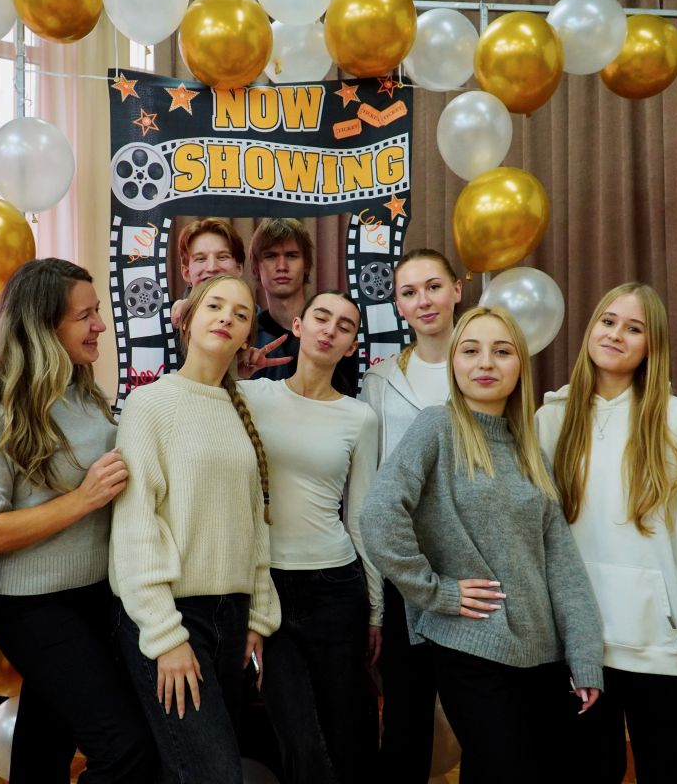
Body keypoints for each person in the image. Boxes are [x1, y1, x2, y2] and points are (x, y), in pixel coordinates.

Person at [361, 306, 604, 784]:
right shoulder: (436, 427)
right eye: (471, 351)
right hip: (471, 644)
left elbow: (561, 564)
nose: (486, 363)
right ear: (454, 362)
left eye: (502, 351)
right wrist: (437, 593)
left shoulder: (529, 449)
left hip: (543, 652)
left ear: (520, 366)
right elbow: (378, 517)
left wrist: (584, 656)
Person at [534, 282, 677, 784]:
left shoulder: (675, 421)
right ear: (590, 329)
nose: (616, 334)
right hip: (577, 649)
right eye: (608, 321)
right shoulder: (550, 420)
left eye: (633, 328)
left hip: (663, 651)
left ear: (651, 347)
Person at [0, 259, 157, 783]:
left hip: (94, 597)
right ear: (44, 326)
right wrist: (83, 499)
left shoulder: (86, 394)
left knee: (43, 750)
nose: (100, 326)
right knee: (126, 749)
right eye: (84, 316)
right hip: (32, 606)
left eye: (98, 312)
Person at [110, 274, 282, 784]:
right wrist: (165, 636)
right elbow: (135, 525)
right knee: (214, 774)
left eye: (241, 313)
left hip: (233, 615)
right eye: (215, 306)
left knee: (191, 770)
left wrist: (258, 615)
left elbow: (254, 523)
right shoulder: (149, 404)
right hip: (171, 615)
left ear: (247, 335)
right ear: (187, 320)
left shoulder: (239, 410)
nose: (227, 317)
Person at [238, 291, 380, 784]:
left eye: (344, 326)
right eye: (321, 317)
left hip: (335, 586)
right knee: (297, 735)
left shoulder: (359, 417)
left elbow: (361, 514)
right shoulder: (252, 396)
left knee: (346, 729)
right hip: (268, 586)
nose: (330, 329)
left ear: (350, 346)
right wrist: (238, 372)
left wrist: (376, 609)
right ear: (298, 326)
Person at [358, 249, 470, 783]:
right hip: (407, 572)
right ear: (398, 305)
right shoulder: (379, 382)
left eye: (433, 287)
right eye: (409, 292)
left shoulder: (484, 365)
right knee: (406, 716)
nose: (423, 300)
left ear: (457, 291)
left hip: (474, 566)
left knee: (480, 712)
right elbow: (371, 487)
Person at [249, 217, 358, 396]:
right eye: (271, 256)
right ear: (255, 267)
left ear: (306, 265)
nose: (282, 266)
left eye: (292, 256)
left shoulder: (335, 332)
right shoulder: (249, 335)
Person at [170, 217, 246, 328]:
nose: (212, 267)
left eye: (222, 257)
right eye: (200, 259)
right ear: (186, 273)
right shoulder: (160, 324)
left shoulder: (260, 333)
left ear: (239, 268)